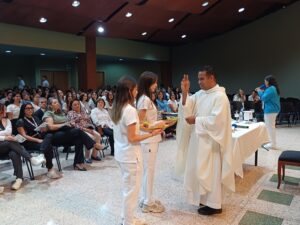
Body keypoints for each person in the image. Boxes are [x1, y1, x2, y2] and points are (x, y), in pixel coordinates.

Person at [178, 66, 235, 215]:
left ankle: (215, 205)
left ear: (212, 78)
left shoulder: (220, 97)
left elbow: (217, 121)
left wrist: (196, 120)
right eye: (198, 79)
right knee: (199, 170)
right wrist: (185, 91)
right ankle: (205, 200)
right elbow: (187, 105)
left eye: (202, 78)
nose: (199, 82)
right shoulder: (200, 94)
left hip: (211, 142)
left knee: (212, 172)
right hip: (199, 140)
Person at [111, 76, 162, 225]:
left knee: (128, 190)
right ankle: (128, 221)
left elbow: (130, 129)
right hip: (130, 156)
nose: (137, 91)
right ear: (129, 91)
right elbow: (133, 137)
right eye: (135, 89)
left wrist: (145, 128)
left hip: (121, 154)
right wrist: (150, 134)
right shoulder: (130, 110)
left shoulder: (117, 107)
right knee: (131, 192)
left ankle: (127, 218)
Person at [43, 98, 96, 171]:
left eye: (57, 102)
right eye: (55, 103)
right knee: (77, 131)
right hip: (55, 136)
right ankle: (93, 144)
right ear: (50, 106)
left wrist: (69, 124)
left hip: (65, 134)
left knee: (79, 139)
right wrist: (64, 124)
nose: (57, 103)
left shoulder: (61, 113)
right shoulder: (48, 113)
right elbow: (51, 127)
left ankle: (78, 163)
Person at [0, 103, 45, 190]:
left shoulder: (7, 121)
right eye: (3, 110)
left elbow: (9, 132)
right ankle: (32, 159)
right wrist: (4, 137)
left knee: (14, 152)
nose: (6, 111)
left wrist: (4, 136)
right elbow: (7, 135)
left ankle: (19, 179)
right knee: (10, 142)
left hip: (6, 146)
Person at [16, 103, 62, 179]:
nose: (30, 110)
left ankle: (42, 153)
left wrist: (44, 128)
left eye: (31, 108)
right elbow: (24, 136)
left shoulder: (35, 118)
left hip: (41, 140)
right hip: (29, 142)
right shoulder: (20, 121)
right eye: (27, 108)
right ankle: (50, 169)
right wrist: (38, 140)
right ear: (23, 110)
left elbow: (43, 129)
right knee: (48, 145)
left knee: (49, 135)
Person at [256, 75, 280, 149]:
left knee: (270, 127)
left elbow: (263, 98)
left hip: (270, 111)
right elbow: (267, 96)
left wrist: (259, 91)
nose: (264, 82)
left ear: (268, 81)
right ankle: (272, 143)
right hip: (272, 110)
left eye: (265, 81)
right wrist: (263, 91)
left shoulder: (271, 88)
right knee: (270, 127)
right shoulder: (272, 88)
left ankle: (273, 144)